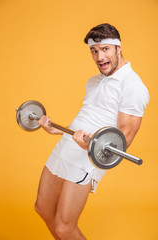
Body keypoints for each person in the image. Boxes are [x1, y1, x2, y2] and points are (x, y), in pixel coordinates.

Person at [35, 23, 149, 240]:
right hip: (68, 145)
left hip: (89, 157)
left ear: (118, 48)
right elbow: (87, 118)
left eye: (105, 49)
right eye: (94, 51)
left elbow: (125, 137)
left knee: (64, 227)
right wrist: (57, 131)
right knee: (43, 209)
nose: (99, 57)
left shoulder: (133, 86)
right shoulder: (94, 81)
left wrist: (90, 146)